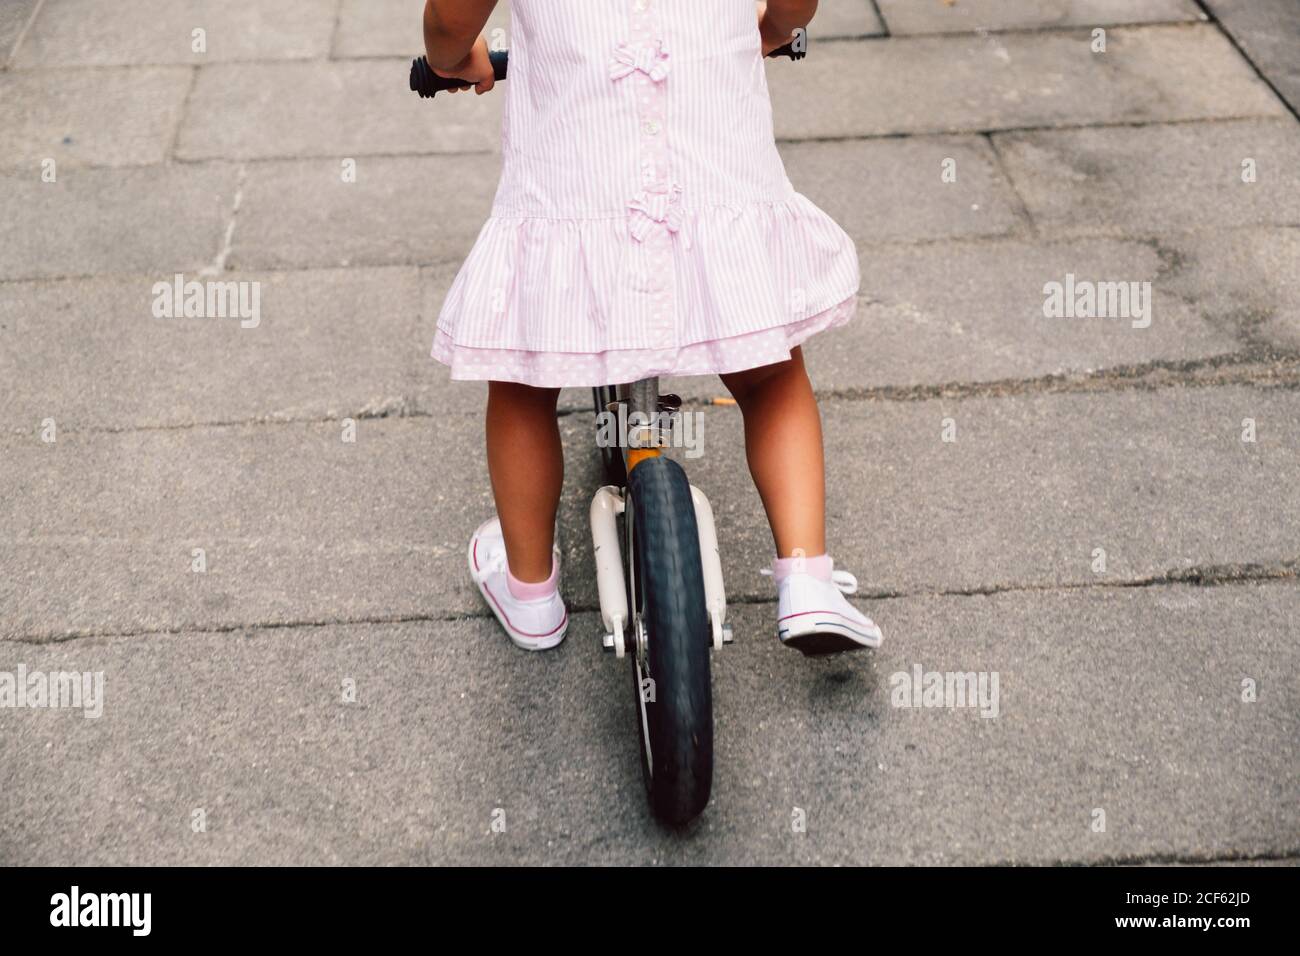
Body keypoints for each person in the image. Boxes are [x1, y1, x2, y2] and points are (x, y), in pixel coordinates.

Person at [424, 0, 883, 655]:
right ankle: (807, 579)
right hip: (716, 179)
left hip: (573, 189)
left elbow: (449, 15)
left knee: (523, 384)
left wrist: (453, 58)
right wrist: (773, 30)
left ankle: (528, 592)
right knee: (771, 377)